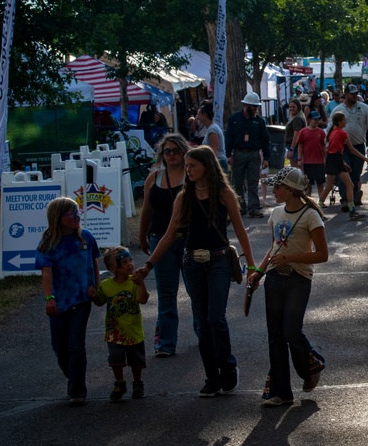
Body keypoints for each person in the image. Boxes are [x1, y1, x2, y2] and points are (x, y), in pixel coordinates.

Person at [134, 145, 257, 398]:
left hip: (219, 261)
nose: (187, 170)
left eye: (192, 166)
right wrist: (148, 266)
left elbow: (241, 230)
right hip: (193, 262)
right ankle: (212, 377)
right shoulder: (184, 196)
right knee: (202, 322)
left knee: (215, 319)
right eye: (186, 166)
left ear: (207, 166)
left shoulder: (224, 193)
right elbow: (169, 235)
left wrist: (253, 267)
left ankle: (227, 367)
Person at [249, 168, 329, 407]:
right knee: (275, 336)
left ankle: (311, 365)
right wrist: (259, 272)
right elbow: (274, 248)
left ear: (292, 191)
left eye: (278, 187)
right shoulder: (275, 213)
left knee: (291, 331)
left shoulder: (310, 216)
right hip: (274, 278)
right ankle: (280, 392)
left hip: (298, 279)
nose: (273, 191)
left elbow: (322, 254)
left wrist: (291, 257)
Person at [37, 197, 101, 406]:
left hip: (81, 299)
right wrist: (49, 298)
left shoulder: (86, 238)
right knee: (59, 346)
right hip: (59, 301)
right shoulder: (48, 243)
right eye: (70, 213)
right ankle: (72, 374)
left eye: (77, 212)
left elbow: (94, 264)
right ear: (58, 218)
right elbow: (46, 274)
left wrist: (96, 289)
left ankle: (77, 390)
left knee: (76, 345)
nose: (76, 216)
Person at [138, 133, 191, 357]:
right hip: (160, 239)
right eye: (166, 151)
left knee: (196, 291)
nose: (170, 155)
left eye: (175, 151)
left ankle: (205, 334)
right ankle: (165, 343)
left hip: (190, 239)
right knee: (166, 293)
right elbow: (147, 210)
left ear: (183, 152)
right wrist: (142, 235)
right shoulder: (154, 178)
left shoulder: (192, 176)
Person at [90, 247, 149, 402]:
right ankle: (119, 383)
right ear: (112, 268)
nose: (130, 264)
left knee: (136, 361)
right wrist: (93, 295)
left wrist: (141, 283)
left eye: (130, 260)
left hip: (133, 331)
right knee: (115, 358)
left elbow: (143, 299)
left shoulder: (134, 282)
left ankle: (138, 383)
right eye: (124, 262)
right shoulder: (107, 285)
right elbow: (100, 301)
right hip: (114, 332)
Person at [330, 84, 368, 211]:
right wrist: (328, 145)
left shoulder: (364, 108)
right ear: (345, 95)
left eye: (356, 94)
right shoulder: (338, 110)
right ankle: (345, 200)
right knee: (344, 173)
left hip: (358, 146)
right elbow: (330, 129)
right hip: (341, 148)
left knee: (355, 173)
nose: (355, 96)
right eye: (352, 94)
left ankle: (354, 197)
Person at [226, 92, 271, 218]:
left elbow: (265, 139)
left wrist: (266, 158)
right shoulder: (234, 119)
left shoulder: (259, 121)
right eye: (253, 106)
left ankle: (253, 207)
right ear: (246, 105)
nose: (256, 109)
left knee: (253, 182)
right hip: (238, 153)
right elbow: (228, 137)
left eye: (256, 106)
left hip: (253, 154)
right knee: (237, 181)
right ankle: (240, 206)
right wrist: (228, 154)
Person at [320, 111, 368, 220]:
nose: (346, 122)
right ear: (339, 122)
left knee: (328, 187)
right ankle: (352, 212)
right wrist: (364, 158)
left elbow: (331, 150)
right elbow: (352, 150)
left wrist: (343, 163)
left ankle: (318, 212)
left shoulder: (331, 132)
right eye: (344, 120)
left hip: (331, 160)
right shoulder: (342, 133)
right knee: (350, 185)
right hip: (337, 160)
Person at [295, 111, 327, 197]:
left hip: (319, 161)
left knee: (320, 182)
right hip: (308, 162)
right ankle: (309, 199)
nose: (317, 121)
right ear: (309, 120)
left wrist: (325, 158)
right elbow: (300, 145)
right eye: (315, 119)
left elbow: (324, 146)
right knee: (308, 183)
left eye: (318, 119)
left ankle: (321, 200)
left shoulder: (321, 132)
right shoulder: (303, 131)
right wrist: (299, 159)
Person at [197, 103, 228, 172]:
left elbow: (215, 149)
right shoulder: (211, 128)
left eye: (199, 114)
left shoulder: (212, 129)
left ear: (204, 115)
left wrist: (214, 167)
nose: (197, 117)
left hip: (219, 162)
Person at [283, 99, 306, 168]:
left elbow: (296, 135)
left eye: (293, 107)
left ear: (298, 108)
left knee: (296, 170)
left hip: (295, 148)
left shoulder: (297, 119)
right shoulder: (294, 118)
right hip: (293, 147)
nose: (291, 109)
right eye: (290, 107)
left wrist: (291, 149)